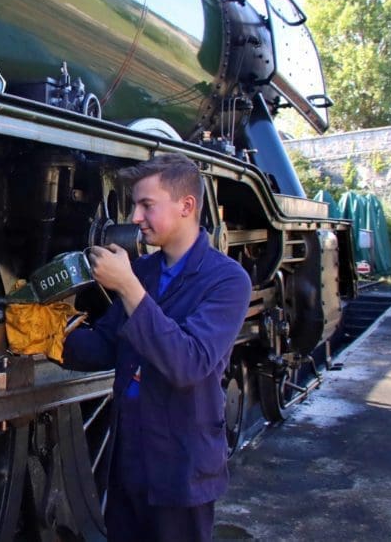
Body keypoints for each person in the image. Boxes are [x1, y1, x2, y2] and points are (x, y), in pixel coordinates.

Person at [63, 152, 251, 541]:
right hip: (129, 460)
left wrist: (127, 287)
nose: (134, 217)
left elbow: (188, 363)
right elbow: (103, 347)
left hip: (182, 467)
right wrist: (50, 336)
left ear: (186, 206)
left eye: (146, 205)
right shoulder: (145, 271)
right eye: (135, 205)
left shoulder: (228, 281)